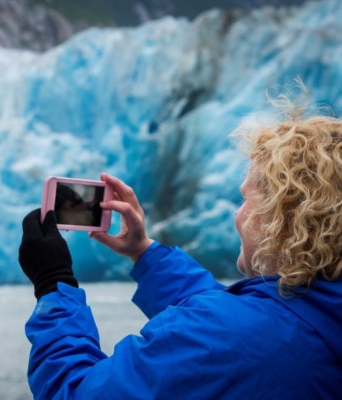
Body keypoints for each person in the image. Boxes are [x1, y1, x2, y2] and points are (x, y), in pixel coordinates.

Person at [18, 114, 342, 399]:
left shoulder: (229, 338)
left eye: (245, 199)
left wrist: (53, 283)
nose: (238, 215)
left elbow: (72, 393)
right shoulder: (316, 316)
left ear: (284, 217)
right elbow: (259, 323)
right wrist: (143, 252)